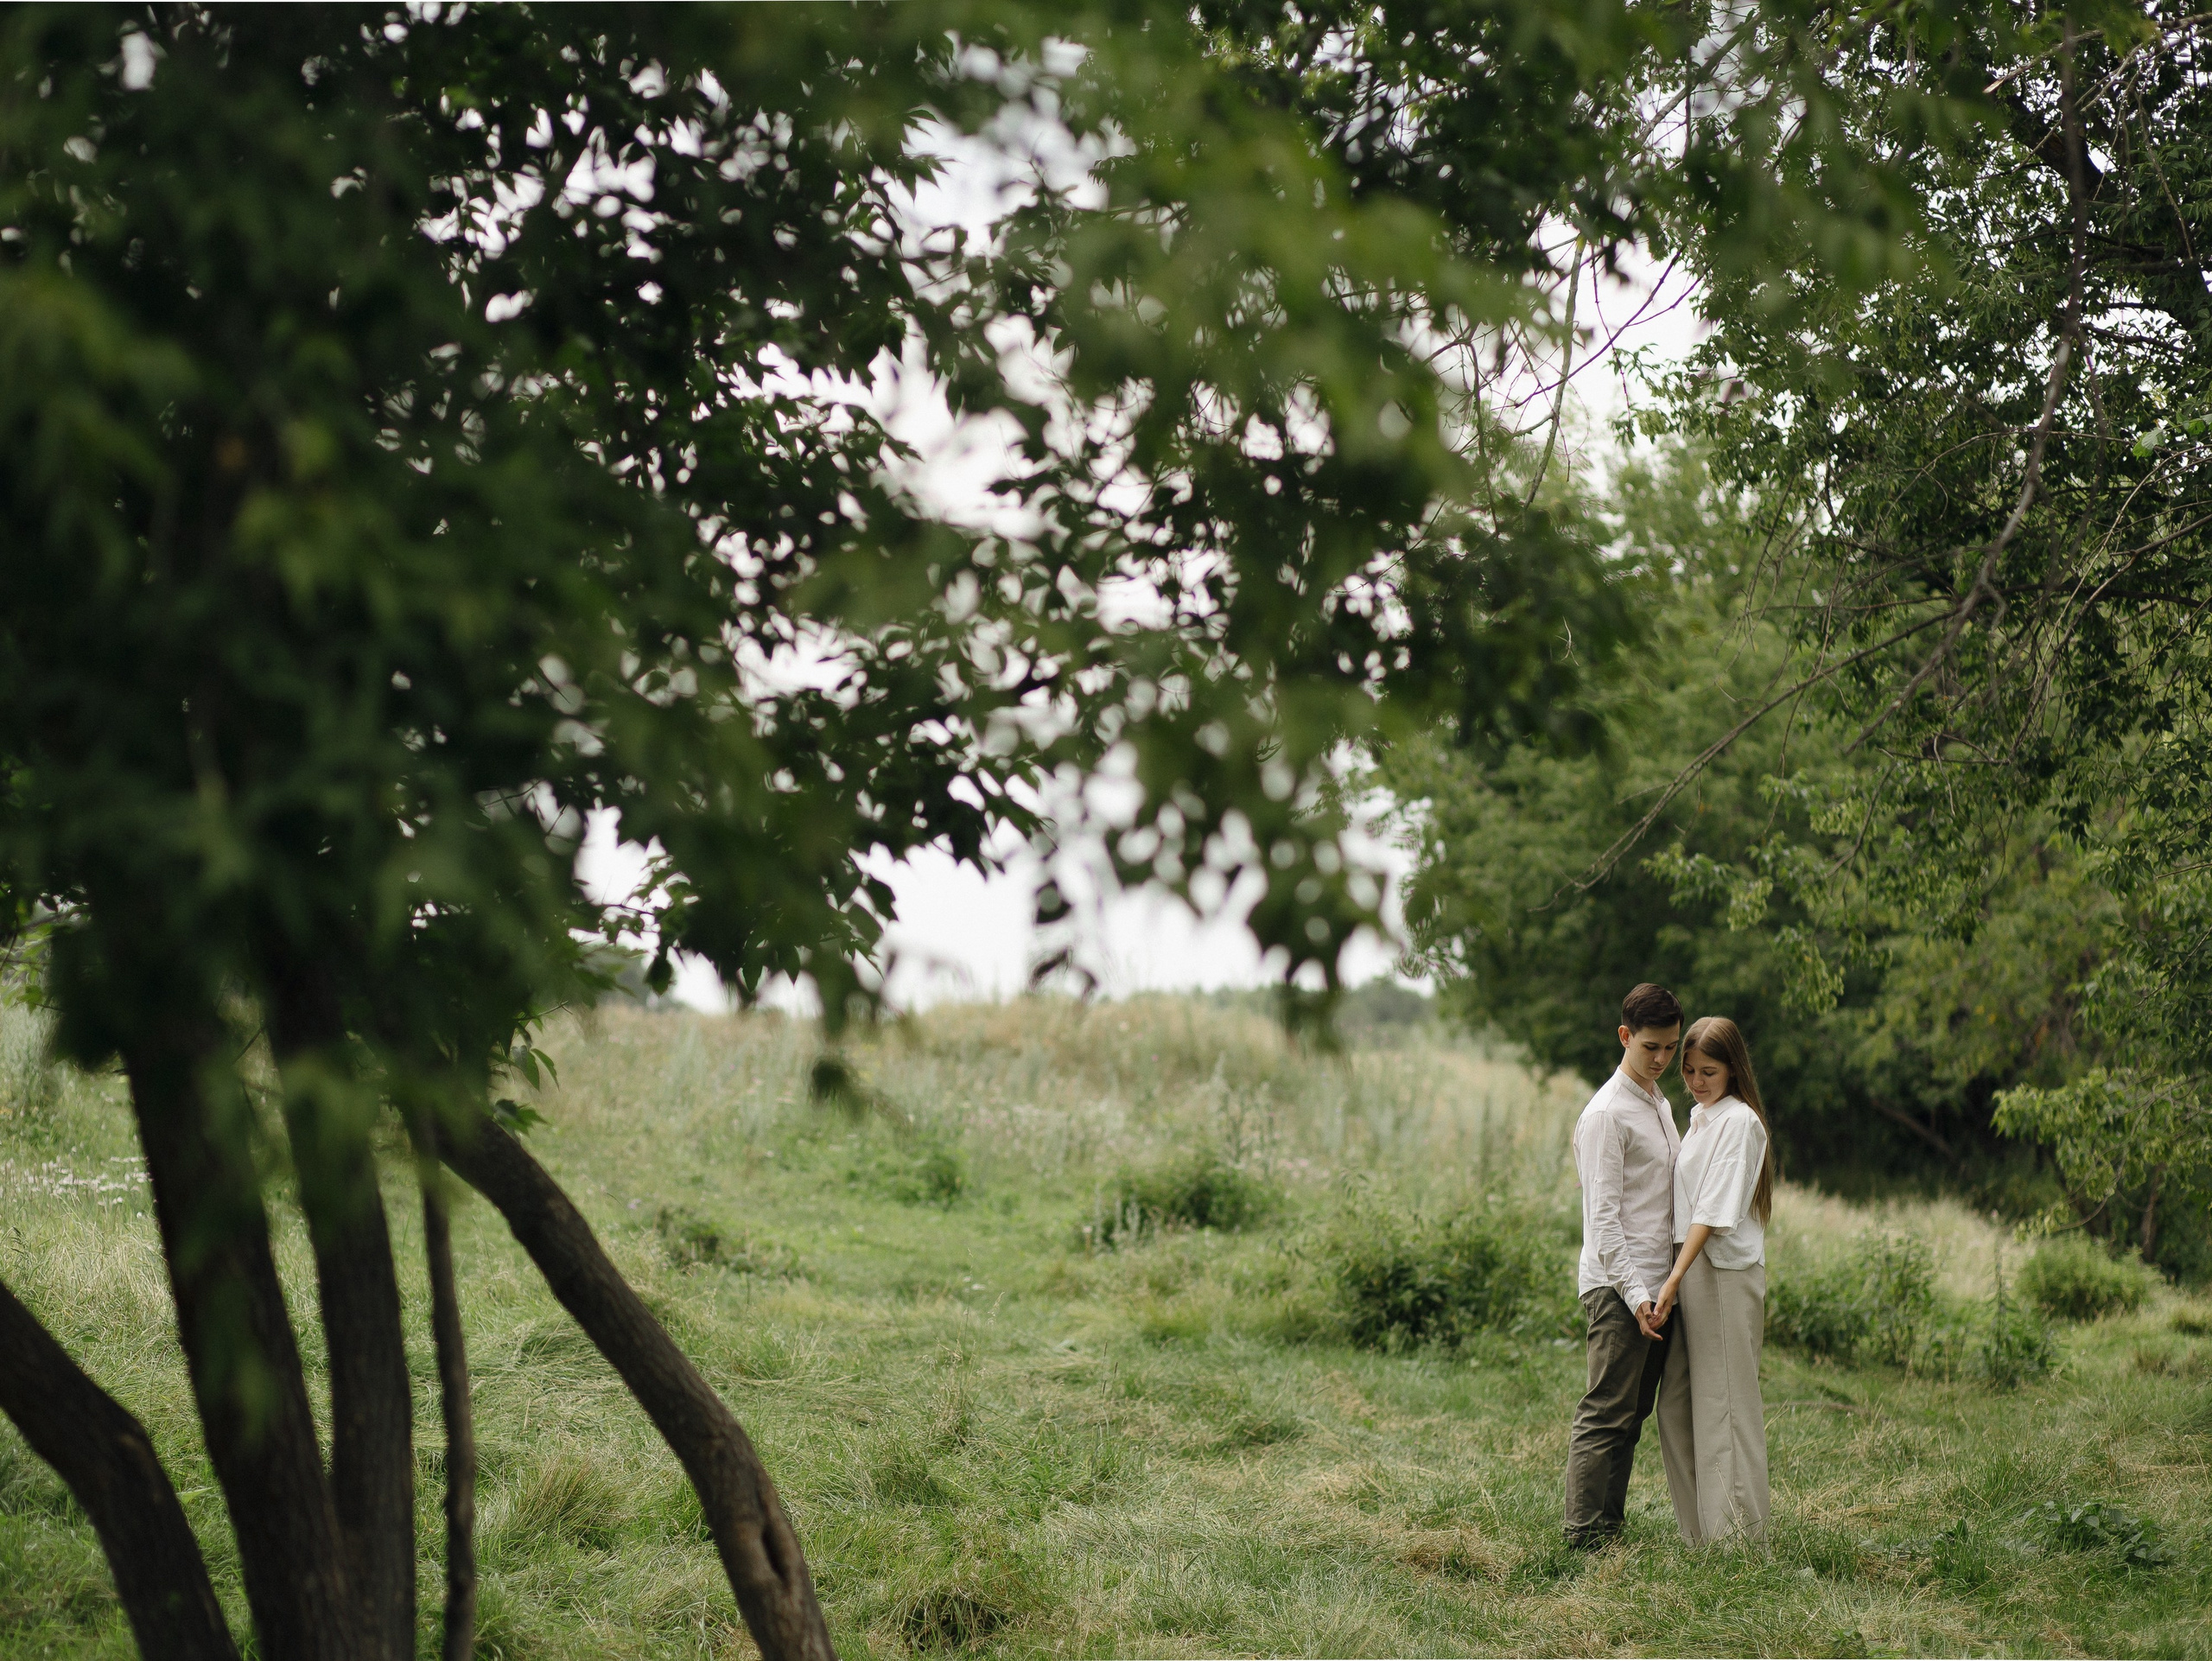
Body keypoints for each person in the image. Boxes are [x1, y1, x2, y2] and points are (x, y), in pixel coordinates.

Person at [1561, 982, 1695, 1550]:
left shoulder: (1659, 1104)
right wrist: (1638, 1295)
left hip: (1656, 1288)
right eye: (1651, 1048)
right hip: (1619, 1289)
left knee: (1633, 1414)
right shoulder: (1607, 1116)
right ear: (1624, 1037)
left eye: (1671, 1047)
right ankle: (1581, 1536)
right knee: (1605, 1414)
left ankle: (1608, 1529)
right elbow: (1605, 1221)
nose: (1663, 1059)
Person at [1652, 1015, 1777, 1544]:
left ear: (1733, 1070)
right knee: (1676, 1402)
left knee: (1725, 1403)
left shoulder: (1740, 1121)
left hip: (1720, 1270)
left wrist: (1676, 1276)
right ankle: (1700, 1534)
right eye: (1690, 1070)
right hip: (1687, 1264)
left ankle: (1737, 1542)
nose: (1697, 1081)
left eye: (1709, 1071)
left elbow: (1714, 1210)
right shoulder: (1700, 1118)